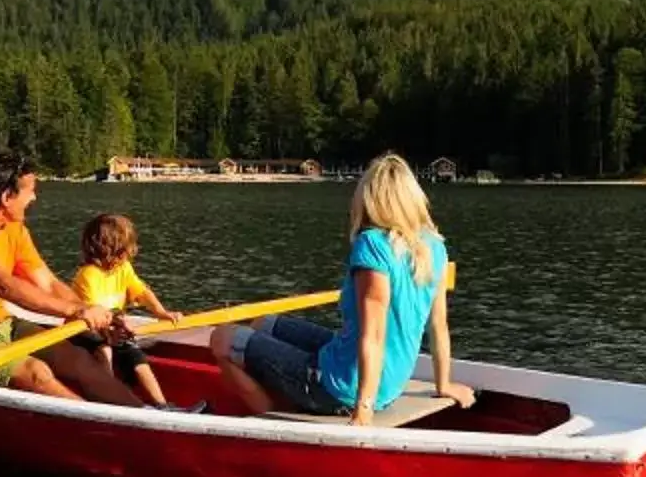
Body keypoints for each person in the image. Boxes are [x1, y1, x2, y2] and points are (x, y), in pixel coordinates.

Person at [212, 152, 477, 426]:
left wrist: (363, 410)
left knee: (221, 338)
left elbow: (373, 335)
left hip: (341, 389)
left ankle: (275, 422)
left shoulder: (373, 245)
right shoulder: (435, 247)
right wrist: (443, 383)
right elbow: (438, 326)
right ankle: (287, 391)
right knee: (262, 323)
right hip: (383, 379)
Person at [0, 153, 134, 404]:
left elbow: (48, 283)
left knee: (80, 361)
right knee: (36, 373)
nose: (34, 198)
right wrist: (75, 310)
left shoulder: (15, 230)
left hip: (3, 325)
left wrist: (94, 313)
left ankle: (147, 416)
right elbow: (2, 284)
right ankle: (106, 429)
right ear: (7, 197)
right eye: (30, 191)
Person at [73, 212, 179, 407]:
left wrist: (161, 312)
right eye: (128, 247)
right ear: (113, 249)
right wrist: (113, 329)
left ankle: (163, 405)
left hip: (114, 329)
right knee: (104, 350)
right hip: (87, 331)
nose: (132, 251)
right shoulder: (88, 275)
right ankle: (108, 397)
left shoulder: (124, 268)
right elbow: (96, 314)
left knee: (135, 356)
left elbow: (141, 292)